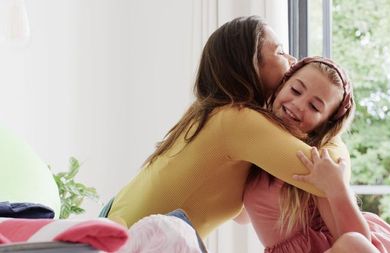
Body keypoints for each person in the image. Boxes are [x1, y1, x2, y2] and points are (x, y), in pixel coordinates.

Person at [103, 15, 351, 244]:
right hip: (133, 243)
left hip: (116, 225)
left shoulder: (211, 113)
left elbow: (242, 213)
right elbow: (323, 176)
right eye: (280, 51)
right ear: (252, 65)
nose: (293, 60)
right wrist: (332, 128)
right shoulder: (238, 120)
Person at [242, 57, 390, 253]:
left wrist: (335, 187)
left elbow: (360, 243)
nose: (298, 104)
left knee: (353, 243)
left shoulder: (314, 160)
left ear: (325, 124)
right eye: (295, 90)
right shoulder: (259, 142)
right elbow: (241, 215)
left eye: (315, 107)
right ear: (280, 86)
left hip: (338, 245)